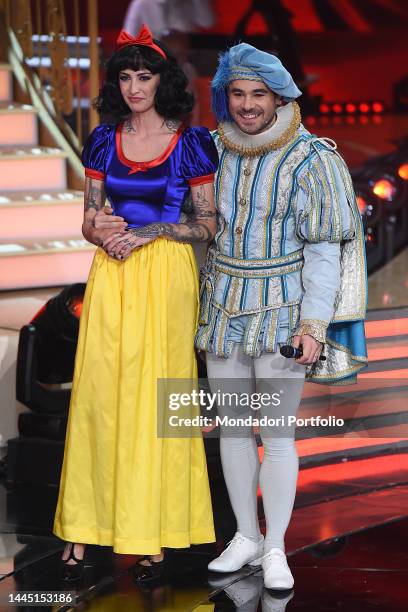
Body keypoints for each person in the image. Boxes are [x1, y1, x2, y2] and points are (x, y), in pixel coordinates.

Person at [195, 43, 367, 590]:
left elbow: (325, 252)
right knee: (233, 433)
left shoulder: (312, 157)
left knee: (278, 434)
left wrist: (313, 324)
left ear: (279, 97)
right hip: (223, 306)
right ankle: (245, 535)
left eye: (258, 94)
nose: (247, 105)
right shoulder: (210, 151)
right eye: (238, 94)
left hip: (282, 311)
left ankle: (276, 548)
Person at [53, 24, 219, 584]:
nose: (133, 87)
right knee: (100, 395)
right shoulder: (103, 139)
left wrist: (151, 233)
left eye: (143, 76)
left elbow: (208, 224)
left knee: (157, 400)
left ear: (162, 81)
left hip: (167, 274)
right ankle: (84, 530)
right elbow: (87, 220)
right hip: (112, 274)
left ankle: (154, 539)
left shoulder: (192, 143)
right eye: (124, 77)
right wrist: (102, 234)